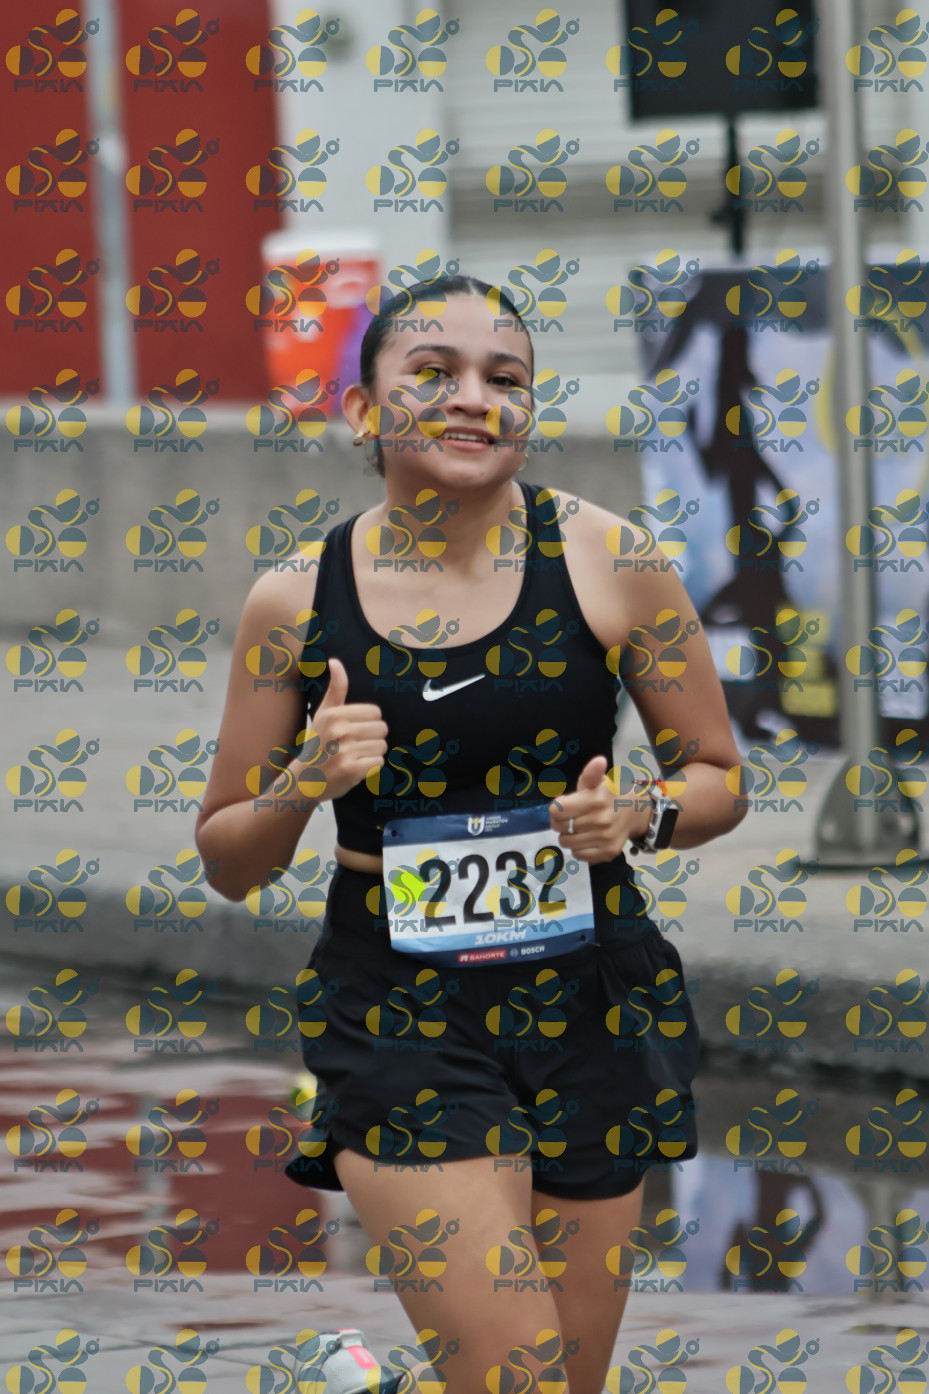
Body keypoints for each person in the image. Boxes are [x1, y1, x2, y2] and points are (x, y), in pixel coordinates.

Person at [196, 273, 746, 1394]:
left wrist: (637, 813)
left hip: (593, 991)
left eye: (505, 378)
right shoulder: (293, 601)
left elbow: (718, 777)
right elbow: (230, 858)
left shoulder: (613, 560)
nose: (472, 398)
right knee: (517, 1379)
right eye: (432, 373)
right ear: (363, 409)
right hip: (400, 1006)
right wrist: (303, 781)